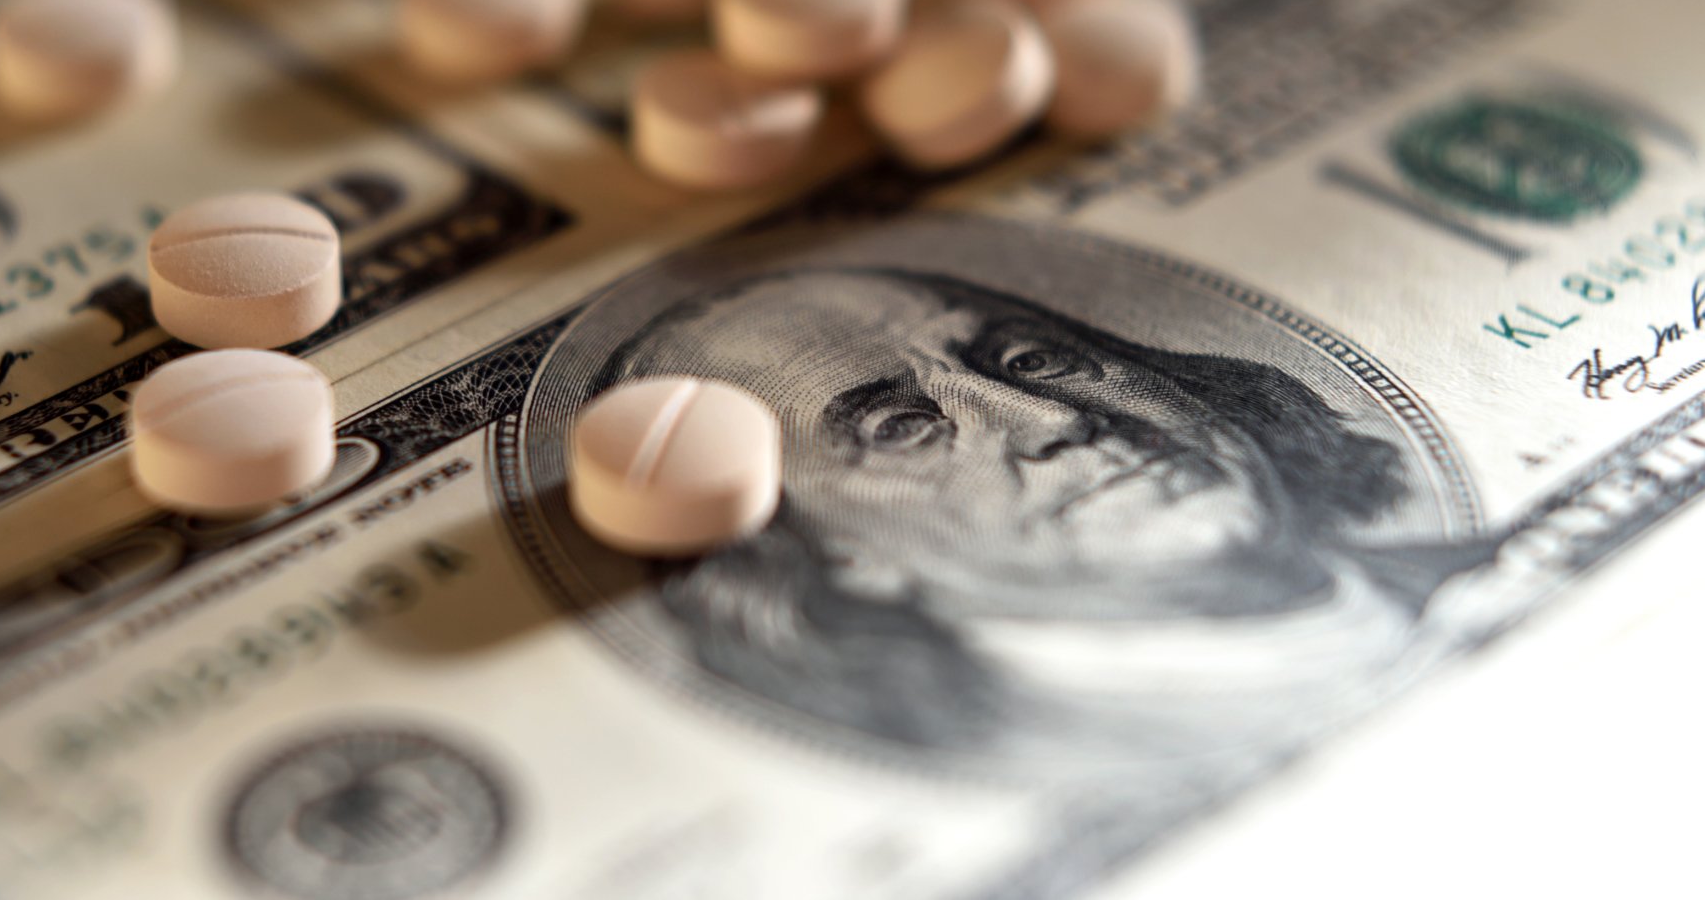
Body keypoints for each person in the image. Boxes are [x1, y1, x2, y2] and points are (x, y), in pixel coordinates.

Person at [596, 267, 1491, 760]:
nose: (1054, 420)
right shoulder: (1036, 758)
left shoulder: (1492, 566)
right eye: (903, 428)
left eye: (1029, 360)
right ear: (835, 551)